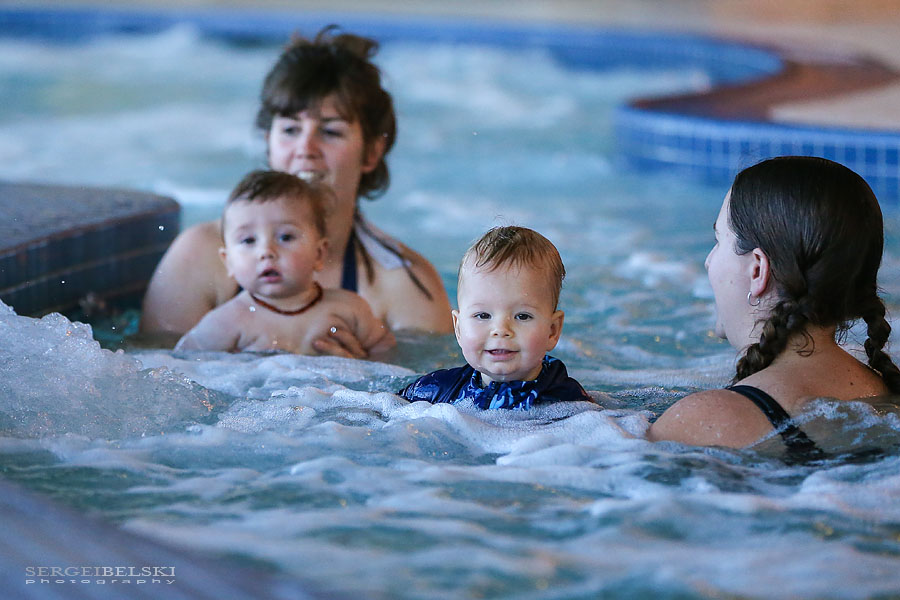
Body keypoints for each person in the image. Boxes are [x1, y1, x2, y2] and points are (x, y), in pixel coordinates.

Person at [141, 26, 452, 355]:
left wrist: (368, 373)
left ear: (372, 153)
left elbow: (437, 383)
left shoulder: (404, 285)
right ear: (269, 143)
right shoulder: (202, 255)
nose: (306, 148)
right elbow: (150, 367)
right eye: (290, 129)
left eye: (330, 132)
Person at [649, 156, 900, 451]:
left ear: (758, 270)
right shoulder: (887, 395)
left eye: (718, 241)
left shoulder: (702, 421)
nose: (708, 261)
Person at [176, 170, 394, 355]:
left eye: (285, 237)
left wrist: (366, 361)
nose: (266, 251)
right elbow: (182, 364)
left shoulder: (349, 309)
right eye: (249, 240)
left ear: (319, 254)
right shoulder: (225, 322)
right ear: (228, 262)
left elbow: (389, 355)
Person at [400, 226, 591, 410]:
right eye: (483, 315)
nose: (501, 329)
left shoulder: (569, 406)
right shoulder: (434, 390)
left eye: (522, 316)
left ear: (552, 331)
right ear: (458, 329)